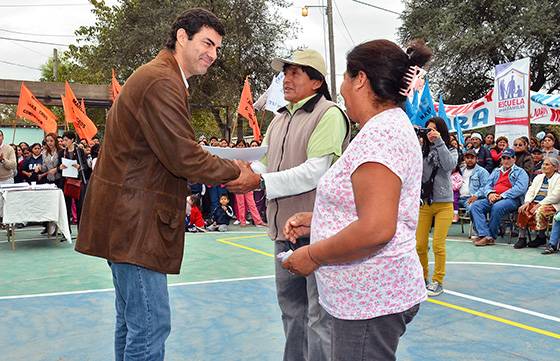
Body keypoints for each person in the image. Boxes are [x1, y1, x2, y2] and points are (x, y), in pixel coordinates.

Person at [75, 9, 251, 360]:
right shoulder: (161, 81)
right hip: (136, 225)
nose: (212, 54)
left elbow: (172, 151)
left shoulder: (161, 78)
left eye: (217, 47)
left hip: (128, 221)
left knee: (132, 324)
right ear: (182, 36)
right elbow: (183, 156)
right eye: (207, 43)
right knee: (149, 326)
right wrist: (237, 172)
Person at [281, 38, 431, 361]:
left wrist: (313, 254)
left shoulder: (381, 135)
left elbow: (376, 228)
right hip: (370, 296)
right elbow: (370, 206)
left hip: (370, 299)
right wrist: (318, 220)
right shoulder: (385, 128)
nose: (343, 91)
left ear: (360, 78)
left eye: (345, 80)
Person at [226, 49, 351, 361]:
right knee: (291, 310)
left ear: (316, 82)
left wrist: (260, 182)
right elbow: (264, 166)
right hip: (284, 230)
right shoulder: (279, 119)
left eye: (296, 72)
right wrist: (233, 172)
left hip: (317, 230)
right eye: (286, 72)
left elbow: (315, 171)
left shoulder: (329, 114)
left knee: (319, 315)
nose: (287, 78)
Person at [415, 116, 458, 297]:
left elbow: (449, 165)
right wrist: (415, 142)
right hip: (425, 202)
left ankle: (438, 280)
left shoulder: (450, 149)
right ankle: (421, 277)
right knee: (420, 245)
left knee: (439, 245)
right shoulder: (421, 150)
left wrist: (439, 142)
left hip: (444, 203)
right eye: (427, 130)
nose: (430, 133)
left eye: (434, 129)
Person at [469, 148, 529, 246]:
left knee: (497, 207)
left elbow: (520, 188)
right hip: (493, 197)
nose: (505, 160)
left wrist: (501, 196)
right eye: (503, 158)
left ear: (514, 159)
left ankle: (490, 236)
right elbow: (487, 185)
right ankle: (484, 234)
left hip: (512, 199)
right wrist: (490, 193)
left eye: (508, 158)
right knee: (475, 206)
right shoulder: (496, 171)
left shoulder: (520, 172)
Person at [515, 157, 560, 249]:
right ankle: (522, 238)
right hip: (535, 202)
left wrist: (540, 204)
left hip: (551, 204)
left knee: (540, 211)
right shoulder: (539, 177)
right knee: (523, 209)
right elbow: (530, 191)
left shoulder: (558, 178)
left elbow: (555, 196)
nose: (544, 166)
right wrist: (527, 202)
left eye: (547, 164)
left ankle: (541, 237)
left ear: (555, 168)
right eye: (543, 164)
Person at [58, 131, 89, 231]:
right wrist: (60, 167)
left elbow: (86, 166)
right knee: (66, 206)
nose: (64, 142)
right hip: (66, 181)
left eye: (66, 140)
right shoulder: (62, 152)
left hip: (77, 182)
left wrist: (80, 167)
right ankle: (67, 230)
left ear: (72, 140)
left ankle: (81, 230)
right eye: (63, 140)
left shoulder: (79, 151)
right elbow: (58, 167)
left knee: (79, 206)